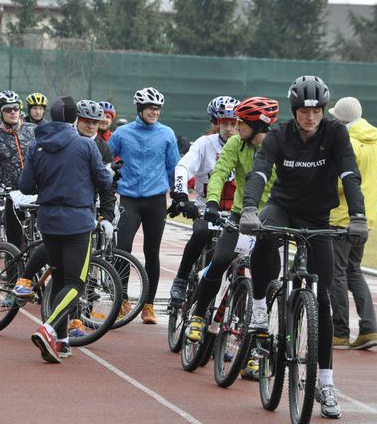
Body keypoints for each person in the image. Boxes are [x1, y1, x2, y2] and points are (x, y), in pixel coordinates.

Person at [240, 76, 368, 420]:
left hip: (317, 216)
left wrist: (358, 216)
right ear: (295, 111)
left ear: (323, 111)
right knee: (264, 230)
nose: (310, 117)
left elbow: (349, 175)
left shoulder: (335, 134)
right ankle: (258, 307)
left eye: (316, 111)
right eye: (303, 111)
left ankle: (325, 382)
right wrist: (250, 208)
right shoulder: (280, 134)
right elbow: (260, 172)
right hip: (283, 207)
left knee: (322, 299)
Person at [182, 97, 278, 382]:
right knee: (221, 259)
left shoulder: (277, 147)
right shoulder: (236, 144)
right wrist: (212, 203)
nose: (235, 128)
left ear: (258, 125)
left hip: (270, 218)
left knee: (269, 284)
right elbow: (221, 173)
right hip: (238, 214)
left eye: (241, 124)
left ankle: (256, 351)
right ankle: (199, 314)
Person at [18, 96, 112, 363]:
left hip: (48, 220)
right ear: (74, 119)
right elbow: (104, 181)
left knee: (59, 279)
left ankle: (62, 340)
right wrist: (108, 174)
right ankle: (48, 329)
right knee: (76, 284)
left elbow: (25, 186)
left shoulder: (37, 145)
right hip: (78, 222)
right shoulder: (85, 145)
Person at [107, 87, 180, 324]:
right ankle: (122, 300)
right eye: (150, 108)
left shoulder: (167, 134)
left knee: (152, 252)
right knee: (123, 248)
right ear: (140, 109)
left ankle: (148, 305)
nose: (155, 112)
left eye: (158, 108)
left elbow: (173, 168)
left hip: (157, 200)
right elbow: (107, 159)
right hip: (129, 198)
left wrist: (179, 196)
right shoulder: (122, 133)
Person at [168, 95, 240, 306]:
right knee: (200, 232)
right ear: (215, 123)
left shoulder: (246, 145)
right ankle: (181, 278)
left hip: (236, 208)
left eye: (233, 123)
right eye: (223, 122)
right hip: (206, 204)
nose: (228, 128)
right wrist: (181, 196)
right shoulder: (204, 144)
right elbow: (182, 167)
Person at [328, 97, 377, 350]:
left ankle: (340, 331)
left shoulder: (348, 142)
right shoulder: (376, 143)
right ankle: (369, 328)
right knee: (353, 271)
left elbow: (342, 182)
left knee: (337, 274)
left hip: (341, 216)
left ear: (341, 118)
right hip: (365, 217)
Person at [0, 90, 36, 249]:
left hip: (39, 193)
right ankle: (14, 273)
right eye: (7, 109)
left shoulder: (33, 130)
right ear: (0, 112)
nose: (13, 112)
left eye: (16, 108)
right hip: (13, 194)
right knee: (14, 246)